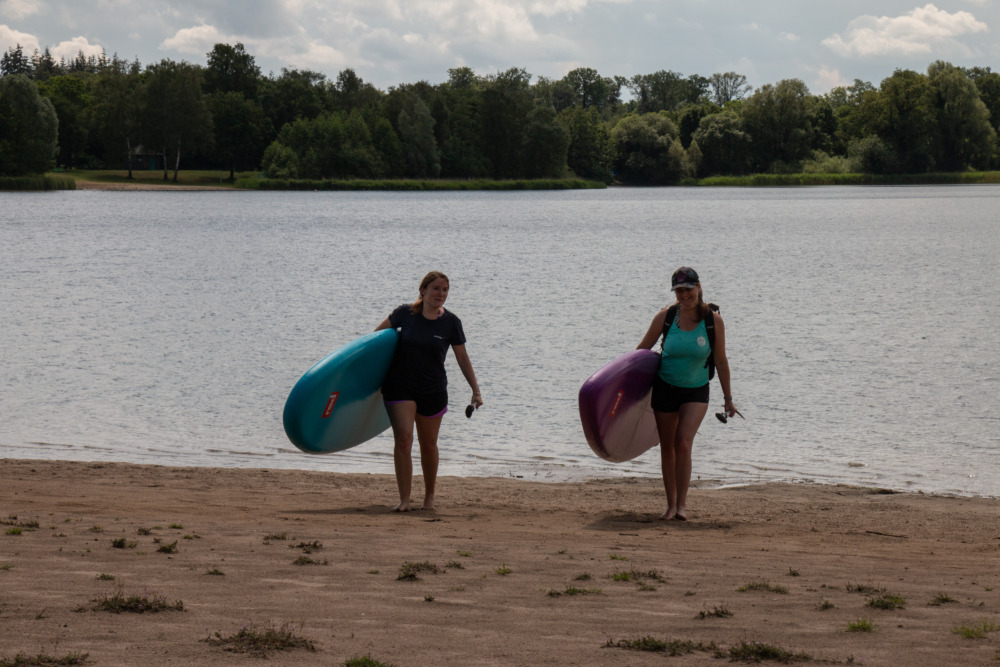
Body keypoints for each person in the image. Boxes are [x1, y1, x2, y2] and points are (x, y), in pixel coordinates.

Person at [636, 266, 739, 521]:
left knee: (683, 443)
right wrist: (621, 391)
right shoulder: (665, 317)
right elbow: (639, 353)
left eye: (688, 290)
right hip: (665, 387)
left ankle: (682, 505)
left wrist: (728, 398)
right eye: (679, 291)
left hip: (696, 390)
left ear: (699, 288)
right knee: (667, 447)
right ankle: (670, 505)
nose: (683, 295)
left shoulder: (713, 322)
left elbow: (722, 361)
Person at [375, 271, 483, 512]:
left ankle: (429, 498)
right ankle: (404, 500)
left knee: (428, 445)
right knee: (403, 439)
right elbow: (376, 340)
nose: (441, 294)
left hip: (433, 389)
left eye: (445, 290)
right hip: (400, 386)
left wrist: (475, 390)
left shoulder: (451, 322)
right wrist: (365, 380)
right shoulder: (404, 314)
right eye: (436, 288)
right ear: (423, 290)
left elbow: (462, 357)